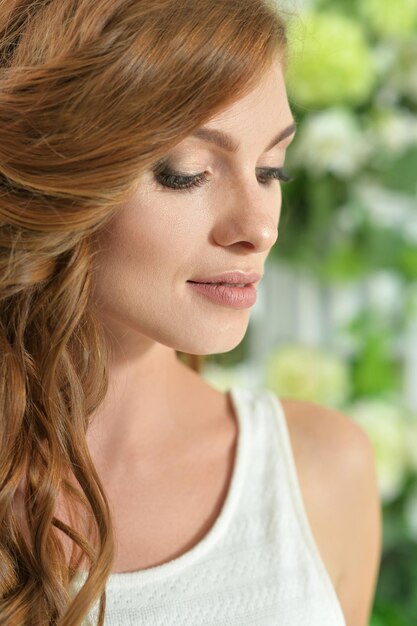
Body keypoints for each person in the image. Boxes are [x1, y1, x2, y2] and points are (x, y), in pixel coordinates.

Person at [0, 0, 381, 624]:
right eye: (187, 174)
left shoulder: (323, 472)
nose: (259, 228)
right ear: (55, 175)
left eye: (270, 170)